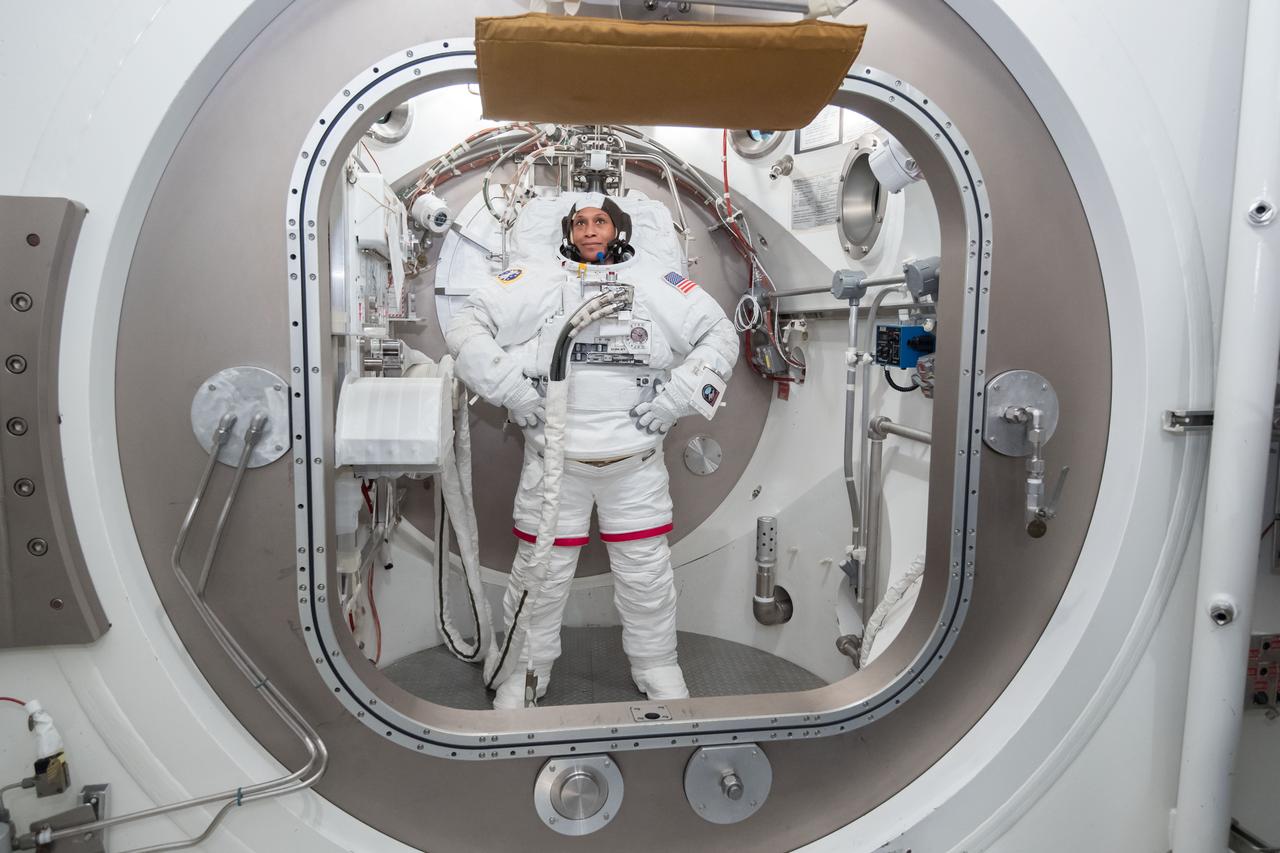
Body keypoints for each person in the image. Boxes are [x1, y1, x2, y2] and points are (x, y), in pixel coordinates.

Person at [445, 192, 738, 709]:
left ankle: (657, 667)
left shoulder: (656, 282)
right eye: (578, 222)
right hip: (555, 462)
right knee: (540, 576)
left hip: (635, 464)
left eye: (599, 220)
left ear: (618, 229)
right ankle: (524, 674)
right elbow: (468, 325)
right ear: (566, 231)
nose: (588, 230)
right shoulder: (537, 279)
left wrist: (676, 400)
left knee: (646, 574)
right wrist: (510, 389)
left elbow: (719, 333)